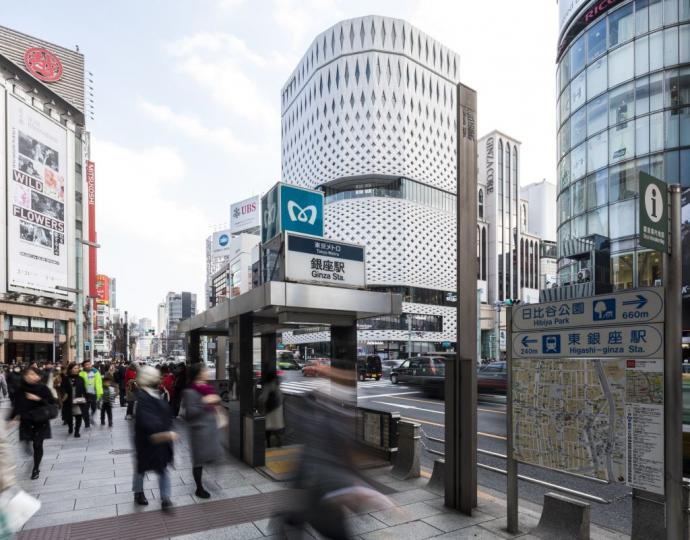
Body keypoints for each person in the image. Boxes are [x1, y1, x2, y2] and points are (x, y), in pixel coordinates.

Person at [133, 366, 176, 512]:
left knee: (162, 468)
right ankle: (138, 492)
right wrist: (163, 432)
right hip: (147, 440)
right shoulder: (142, 397)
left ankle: (165, 498)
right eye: (156, 377)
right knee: (141, 468)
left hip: (160, 440)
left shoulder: (158, 393)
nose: (159, 379)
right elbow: (145, 419)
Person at [8, 367, 57, 480]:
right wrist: (12, 418)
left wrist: (38, 399)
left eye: (35, 374)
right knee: (27, 442)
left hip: (41, 421)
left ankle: (36, 468)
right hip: (26, 421)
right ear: (24, 376)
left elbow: (52, 403)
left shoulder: (43, 389)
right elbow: (16, 405)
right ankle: (27, 443)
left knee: (37, 445)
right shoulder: (20, 389)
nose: (33, 377)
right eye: (30, 374)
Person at [183, 364, 222, 499]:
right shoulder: (190, 391)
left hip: (209, 429)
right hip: (198, 431)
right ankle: (199, 488)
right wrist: (205, 402)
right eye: (204, 370)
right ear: (198, 373)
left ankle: (208, 480)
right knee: (198, 461)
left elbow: (214, 404)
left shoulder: (207, 388)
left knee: (210, 456)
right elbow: (190, 413)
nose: (207, 372)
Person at [259, 369, 285, 448]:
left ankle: (269, 444)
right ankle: (279, 442)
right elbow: (281, 397)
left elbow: (263, 398)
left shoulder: (268, 385)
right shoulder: (277, 384)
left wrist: (260, 406)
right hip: (278, 408)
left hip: (270, 410)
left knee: (268, 426)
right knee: (276, 426)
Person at [61, 363, 88, 437]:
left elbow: (84, 390)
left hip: (78, 401)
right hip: (68, 401)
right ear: (70, 369)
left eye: (77, 368)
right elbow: (62, 388)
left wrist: (85, 398)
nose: (76, 369)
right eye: (74, 368)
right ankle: (70, 427)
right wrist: (64, 394)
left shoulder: (81, 379)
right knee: (69, 417)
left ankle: (77, 431)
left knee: (79, 416)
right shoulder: (66, 379)